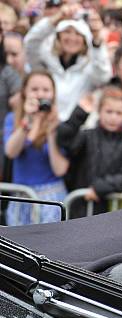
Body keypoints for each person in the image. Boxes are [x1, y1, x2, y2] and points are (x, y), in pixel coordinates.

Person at [57, 87, 122, 218]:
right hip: (80, 208)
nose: (113, 117)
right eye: (109, 111)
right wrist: (79, 114)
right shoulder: (87, 136)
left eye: (119, 113)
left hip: (113, 210)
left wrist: (99, 188)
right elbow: (64, 140)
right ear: (99, 111)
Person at [24, 4, 112, 121]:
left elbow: (103, 76)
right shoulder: (45, 64)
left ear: (85, 40)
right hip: (46, 127)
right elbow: (30, 44)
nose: (72, 38)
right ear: (58, 36)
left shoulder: (90, 67)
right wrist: (54, 19)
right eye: (67, 32)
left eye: (78, 34)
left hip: (78, 132)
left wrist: (96, 41)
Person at [4, 70, 68, 226]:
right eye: (34, 89)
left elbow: (60, 169)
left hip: (50, 199)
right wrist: (27, 121)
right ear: (24, 92)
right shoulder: (13, 119)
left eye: (46, 90)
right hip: (21, 197)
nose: (40, 94)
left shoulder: (61, 124)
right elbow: (11, 152)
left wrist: (51, 133)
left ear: (53, 94)